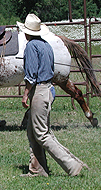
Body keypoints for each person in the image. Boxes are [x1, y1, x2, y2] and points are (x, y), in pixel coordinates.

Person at [17, 14, 88, 177]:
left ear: (27, 32)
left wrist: (25, 94)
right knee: (33, 131)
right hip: (48, 88)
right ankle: (38, 169)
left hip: (39, 91)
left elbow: (31, 74)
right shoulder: (46, 45)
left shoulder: (31, 47)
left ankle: (72, 165)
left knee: (41, 134)